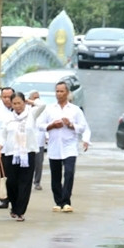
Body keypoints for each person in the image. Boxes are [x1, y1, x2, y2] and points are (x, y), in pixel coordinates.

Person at [37, 81, 90, 212]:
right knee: (55, 175)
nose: (59, 94)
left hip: (69, 146)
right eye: (57, 91)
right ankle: (58, 201)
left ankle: (66, 201)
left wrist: (71, 125)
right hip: (54, 146)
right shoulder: (49, 109)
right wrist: (52, 125)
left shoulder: (75, 110)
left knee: (69, 172)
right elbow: (39, 125)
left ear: (67, 93)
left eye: (61, 91)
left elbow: (83, 127)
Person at [0, 95, 36, 221]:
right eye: (14, 103)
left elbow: (42, 105)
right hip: (11, 153)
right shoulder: (8, 118)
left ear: (24, 103)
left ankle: (20, 211)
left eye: (19, 103)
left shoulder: (31, 114)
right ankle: (14, 206)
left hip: (28, 153)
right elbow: (2, 135)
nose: (17, 106)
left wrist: (30, 101)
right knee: (11, 182)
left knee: (25, 182)